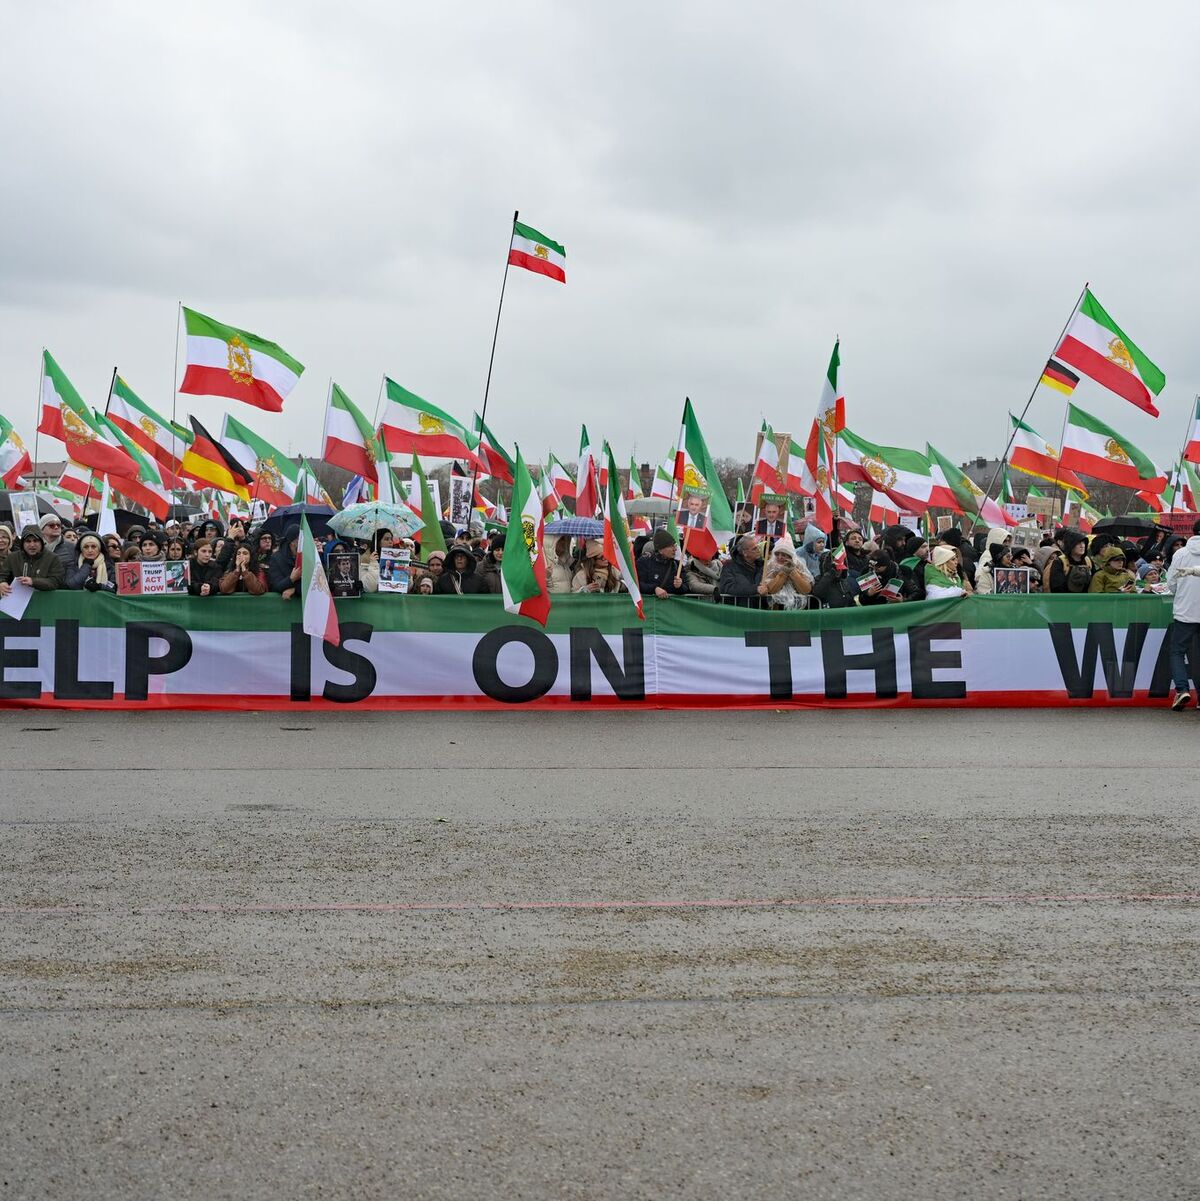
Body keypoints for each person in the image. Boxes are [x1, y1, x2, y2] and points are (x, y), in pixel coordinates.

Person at [1166, 519, 1200, 709]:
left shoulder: (1181, 553)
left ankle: (1182, 690)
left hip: (1185, 612)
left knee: (1177, 652)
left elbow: (1171, 583)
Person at [0, 525, 65, 594]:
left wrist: (33, 581)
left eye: (35, 541)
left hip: (43, 600)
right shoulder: (13, 557)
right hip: (18, 600)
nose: (32, 545)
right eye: (28, 541)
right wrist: (1, 583)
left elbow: (56, 581)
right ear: (23, 543)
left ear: (41, 542)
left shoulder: (52, 558)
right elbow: (2, 575)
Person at [761, 536, 812, 609]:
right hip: (776, 608)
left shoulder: (799, 565)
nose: (780, 557)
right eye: (777, 554)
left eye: (784, 555)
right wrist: (783, 573)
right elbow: (771, 589)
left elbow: (806, 590)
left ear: (791, 556)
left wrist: (793, 572)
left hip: (797, 609)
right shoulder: (770, 565)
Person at [636, 529, 688, 599]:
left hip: (670, 608)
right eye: (670, 546)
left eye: (675, 545)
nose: (675, 549)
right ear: (660, 550)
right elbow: (637, 584)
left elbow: (686, 588)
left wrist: (680, 586)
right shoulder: (644, 562)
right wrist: (654, 589)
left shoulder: (677, 565)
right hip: (648, 607)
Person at [717, 535, 764, 604]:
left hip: (758, 610)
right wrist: (755, 589)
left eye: (758, 547)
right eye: (754, 549)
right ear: (745, 553)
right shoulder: (729, 566)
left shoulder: (762, 566)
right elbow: (728, 587)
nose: (758, 550)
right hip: (738, 610)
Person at [268, 526, 302, 599]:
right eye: (300, 538)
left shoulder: (308, 556)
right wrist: (291, 579)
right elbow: (275, 586)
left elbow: (313, 583)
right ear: (292, 542)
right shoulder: (276, 558)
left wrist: (295, 589)